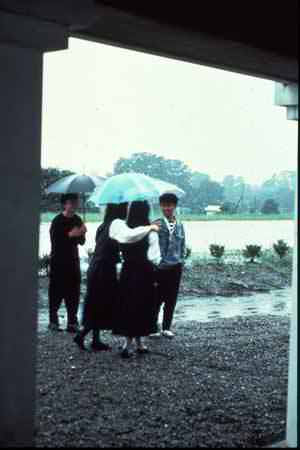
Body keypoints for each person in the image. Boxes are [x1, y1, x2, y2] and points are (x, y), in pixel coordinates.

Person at [74, 203, 159, 351]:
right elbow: (128, 237)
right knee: (101, 303)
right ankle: (82, 335)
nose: (127, 210)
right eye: (125, 207)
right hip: (104, 269)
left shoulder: (104, 225)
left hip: (96, 266)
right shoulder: (117, 223)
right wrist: (149, 228)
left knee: (97, 302)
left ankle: (95, 340)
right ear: (120, 209)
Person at [113, 201, 162, 359]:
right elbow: (154, 257)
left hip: (127, 271)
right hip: (144, 272)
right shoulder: (151, 232)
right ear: (146, 212)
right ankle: (139, 343)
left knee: (128, 306)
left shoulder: (123, 230)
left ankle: (128, 344)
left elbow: (123, 242)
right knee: (142, 306)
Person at [48, 193, 87, 333]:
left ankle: (72, 321)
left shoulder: (77, 219)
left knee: (73, 292)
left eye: (76, 203)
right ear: (65, 204)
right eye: (72, 203)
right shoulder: (57, 221)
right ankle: (53, 320)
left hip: (73, 261)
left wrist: (82, 232)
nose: (75, 205)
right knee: (56, 292)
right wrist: (71, 234)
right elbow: (56, 241)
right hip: (58, 262)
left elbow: (82, 242)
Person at [151, 193, 186, 339]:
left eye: (170, 205)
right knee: (156, 299)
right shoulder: (156, 223)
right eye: (164, 205)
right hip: (160, 268)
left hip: (176, 267)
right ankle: (153, 327)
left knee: (171, 299)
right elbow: (151, 245)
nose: (167, 208)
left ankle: (166, 327)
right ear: (160, 206)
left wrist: (182, 260)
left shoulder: (180, 224)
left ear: (175, 206)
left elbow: (182, 244)